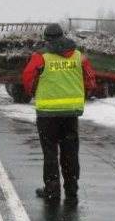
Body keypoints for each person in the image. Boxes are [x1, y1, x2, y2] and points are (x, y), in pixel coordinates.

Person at [21, 23, 96, 205]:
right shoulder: (79, 56)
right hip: (71, 114)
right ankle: (71, 190)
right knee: (70, 152)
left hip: (47, 115)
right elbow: (90, 80)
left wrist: (33, 92)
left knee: (50, 153)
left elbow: (28, 77)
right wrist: (83, 94)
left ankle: (52, 190)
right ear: (63, 36)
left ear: (47, 38)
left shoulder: (40, 57)